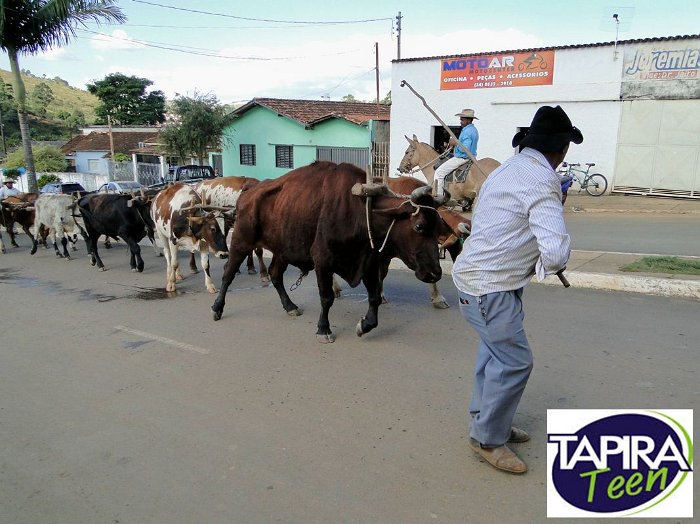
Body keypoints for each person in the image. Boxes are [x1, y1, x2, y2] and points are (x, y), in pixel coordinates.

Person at [452, 105, 583, 474]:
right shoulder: (543, 181)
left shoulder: (507, 168)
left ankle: (488, 421)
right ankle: (488, 440)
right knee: (515, 361)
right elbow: (555, 251)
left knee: (494, 355)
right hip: (488, 287)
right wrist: (551, 262)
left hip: (482, 281)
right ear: (562, 149)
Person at [434, 108, 479, 196]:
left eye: (462, 119)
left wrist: (455, 143)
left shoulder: (467, 131)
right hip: (470, 157)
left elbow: (464, 148)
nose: (460, 121)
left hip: (462, 157)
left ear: (469, 120)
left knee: (439, 172)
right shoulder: (473, 130)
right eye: (460, 119)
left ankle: (438, 196)